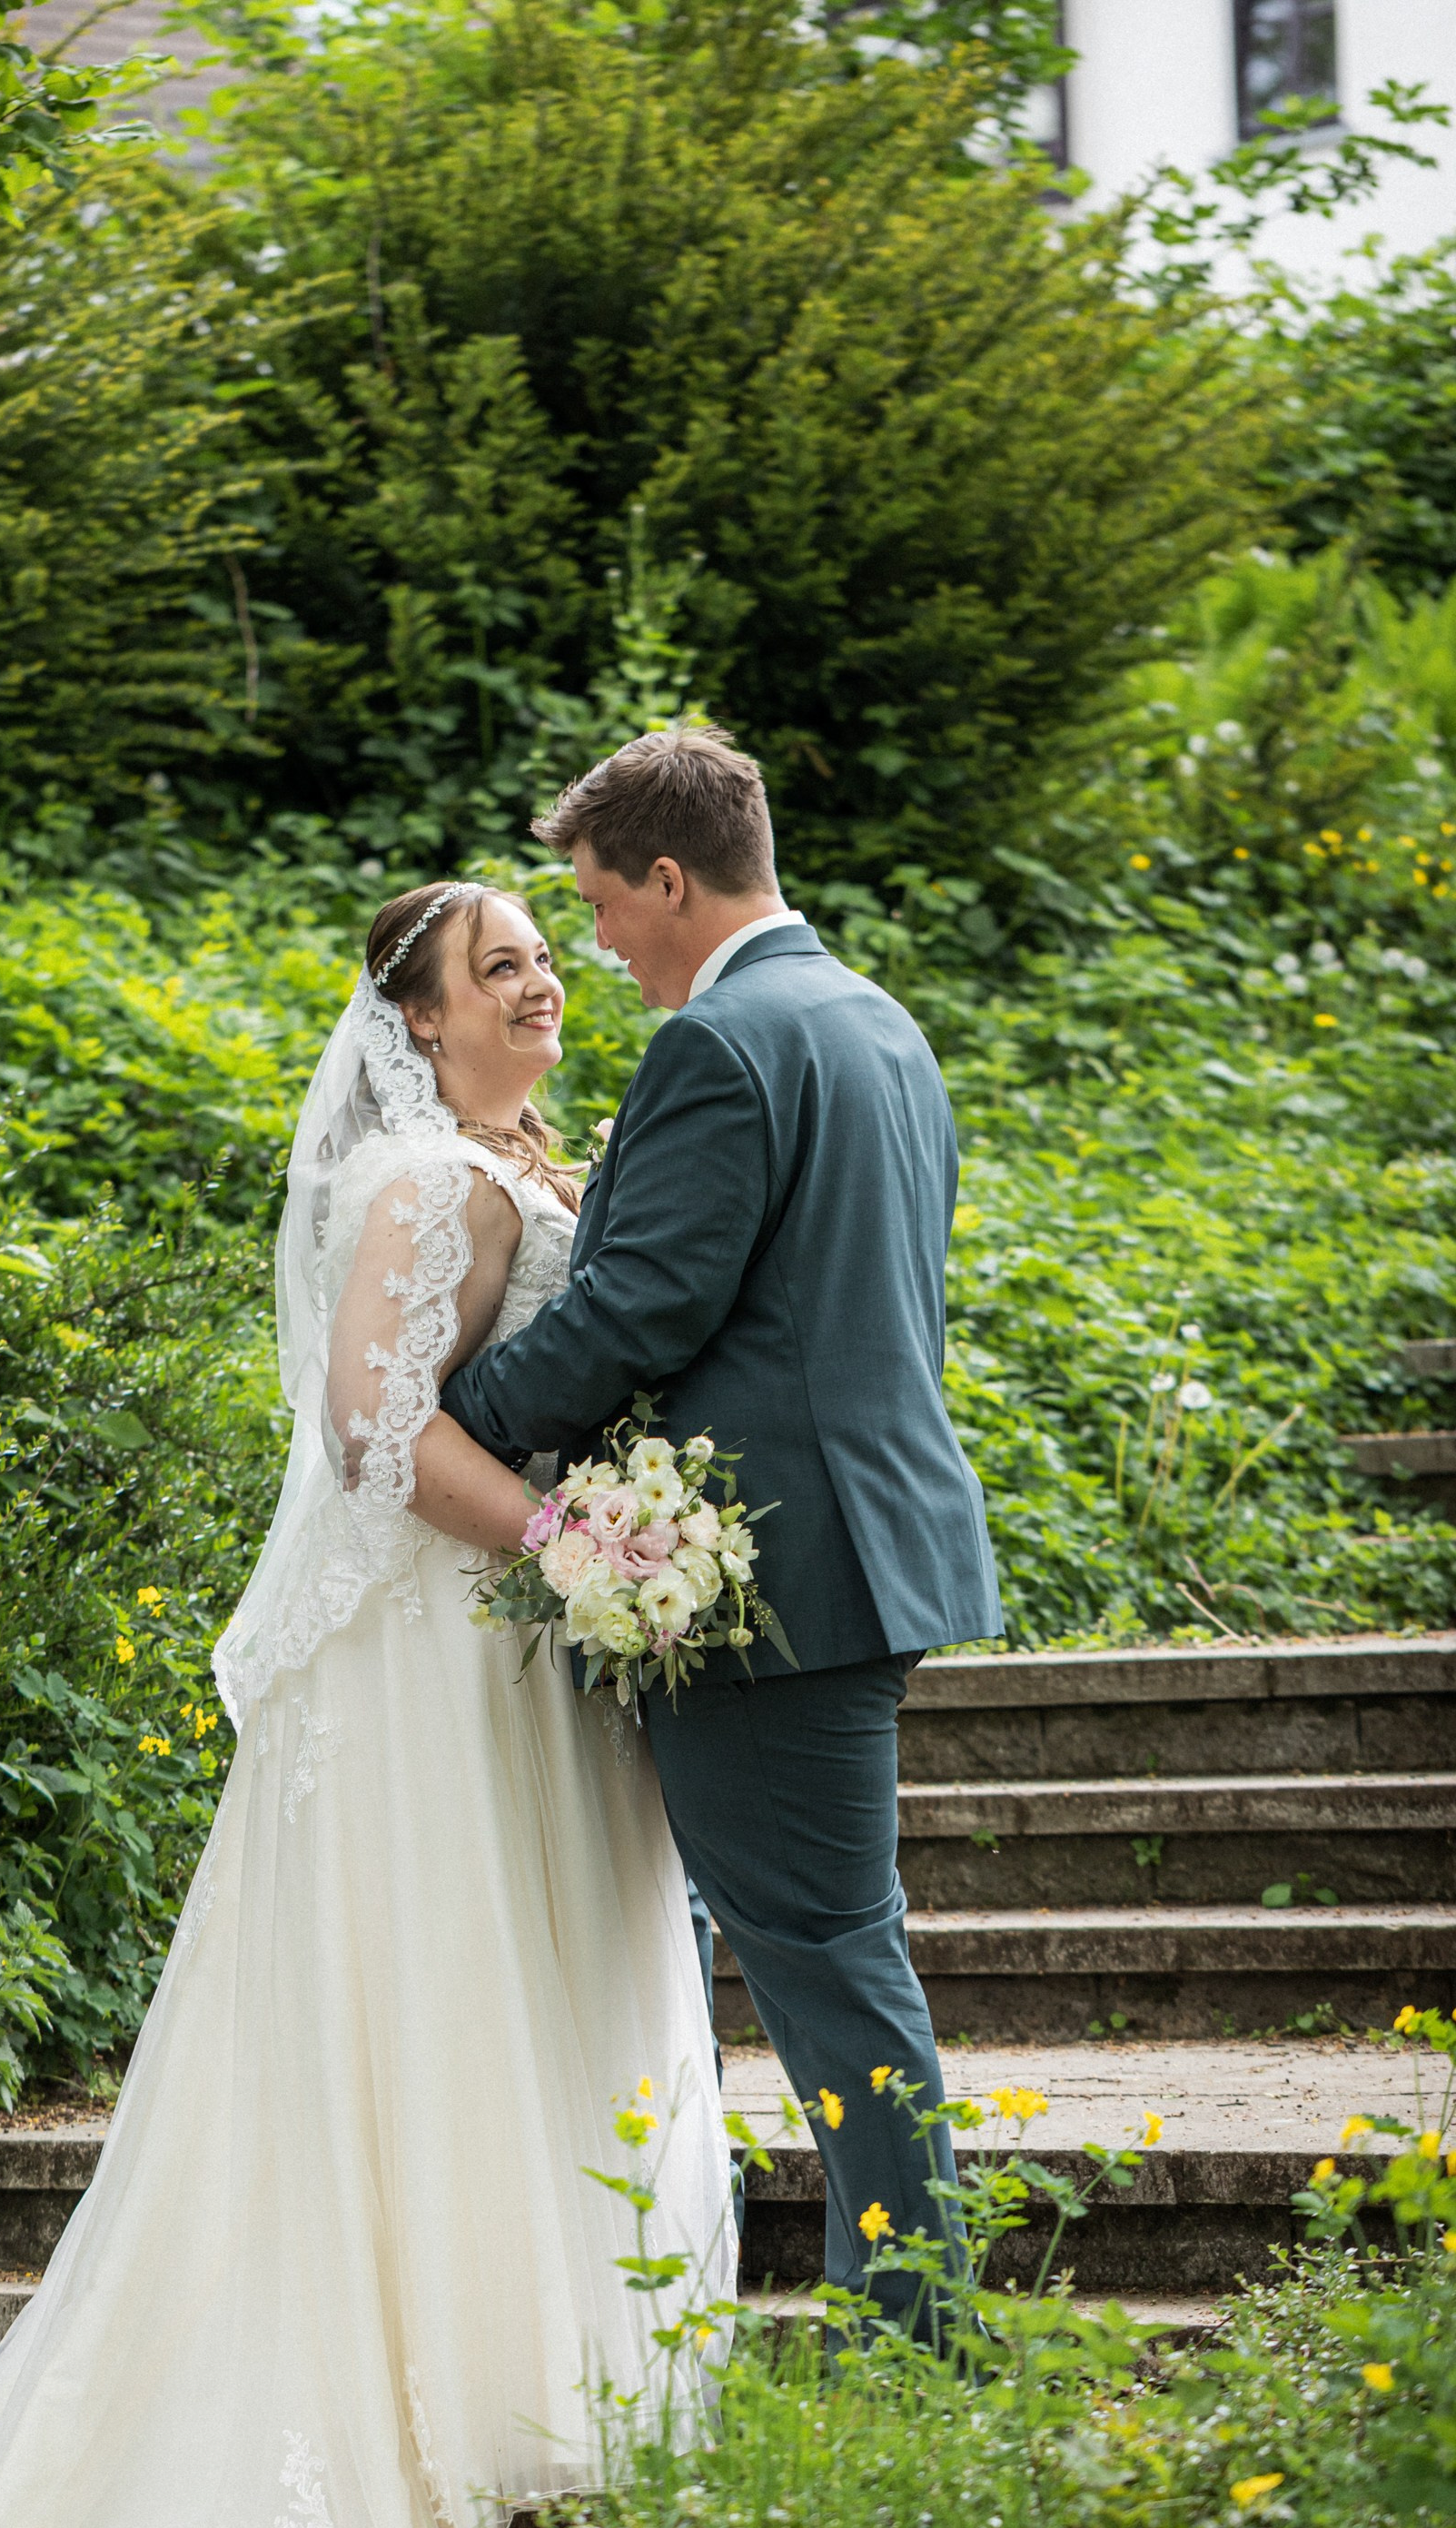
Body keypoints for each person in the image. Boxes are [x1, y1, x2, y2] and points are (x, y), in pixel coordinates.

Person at [0, 881, 733, 2528]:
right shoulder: (422, 1186)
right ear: (418, 1017)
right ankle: (438, 2446)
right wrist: (571, 1536)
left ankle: (540, 2434)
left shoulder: (522, 1164)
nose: (542, 982)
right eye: (502, 967)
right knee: (438, 2019)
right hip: (436, 1666)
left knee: (528, 2016)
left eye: (547, 956)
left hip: (521, 1646)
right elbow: (377, 1442)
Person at [442, 728, 1002, 2335]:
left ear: (671, 879)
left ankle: (919, 2330)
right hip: (853, 1548)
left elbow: (641, 1311)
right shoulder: (875, 1025)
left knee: (826, 1954)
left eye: (604, 904)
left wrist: (450, 1421)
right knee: (818, 1936)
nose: (599, 944)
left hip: (773, 1577)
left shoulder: (721, 1044)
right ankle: (845, 2305)